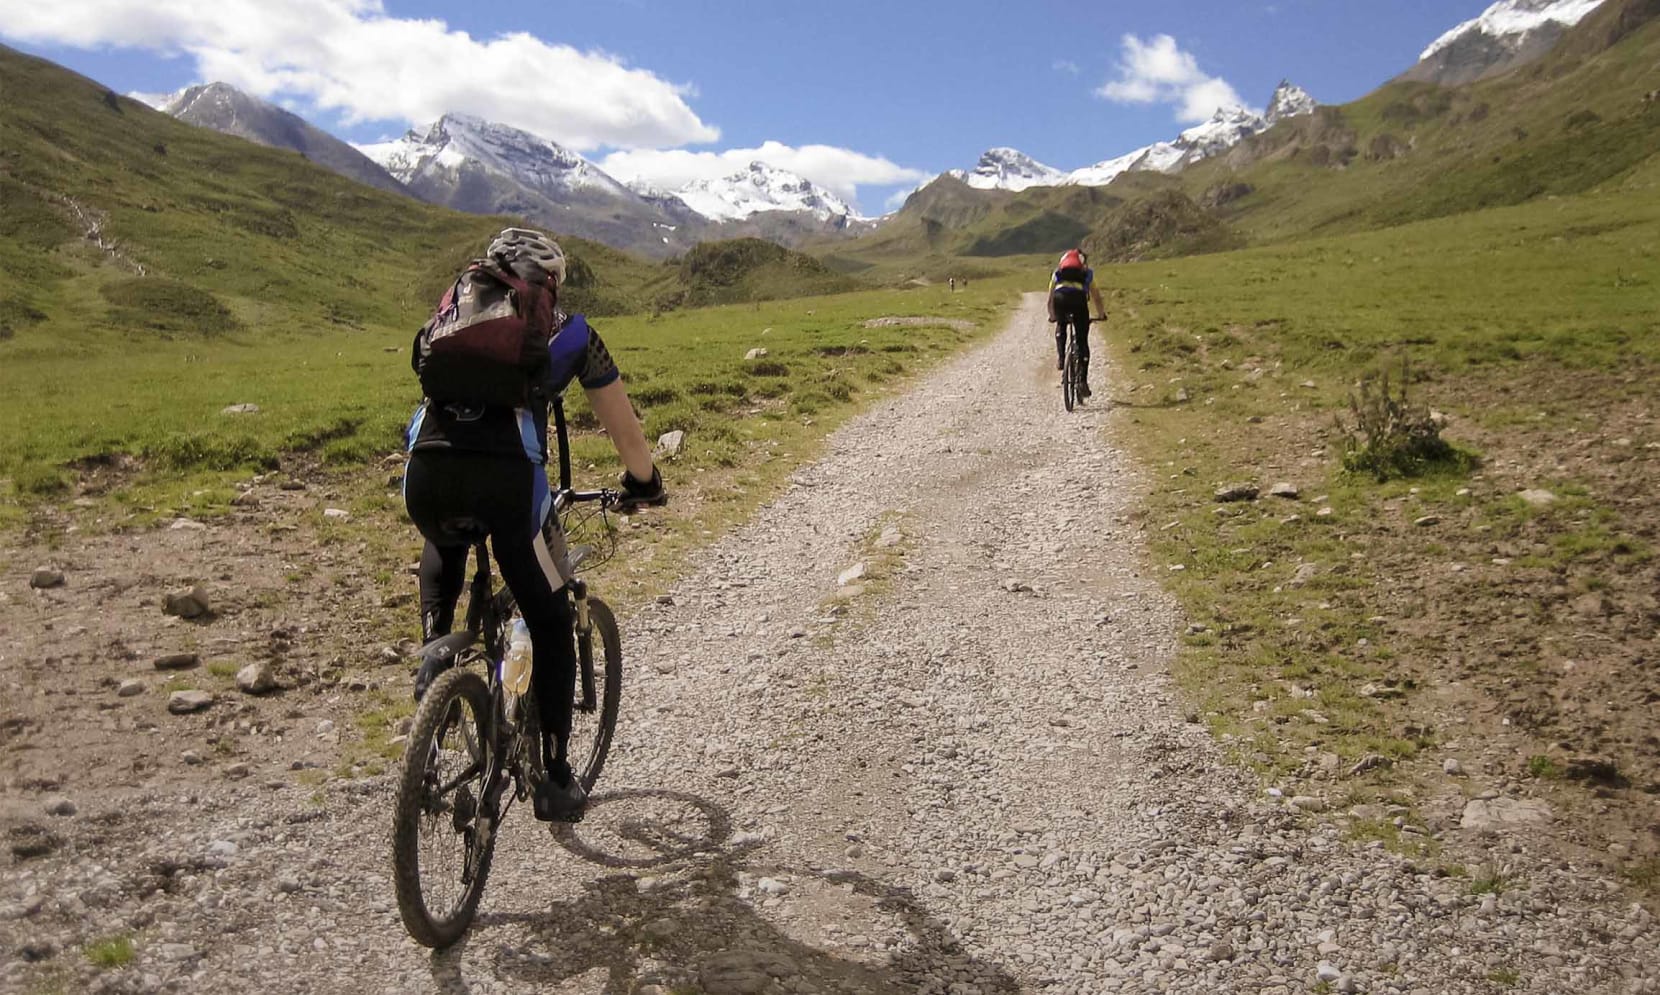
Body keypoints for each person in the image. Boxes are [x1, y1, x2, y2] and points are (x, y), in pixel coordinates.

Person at [403, 227, 666, 822]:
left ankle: (435, 657)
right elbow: (622, 424)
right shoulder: (569, 332)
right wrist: (644, 483)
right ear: (548, 284)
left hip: (426, 474)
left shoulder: (453, 318)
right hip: (508, 485)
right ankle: (552, 777)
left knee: (444, 537)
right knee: (548, 616)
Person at [1046, 248, 1106, 398]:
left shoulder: (1057, 272)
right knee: (1082, 340)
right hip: (1079, 301)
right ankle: (1083, 382)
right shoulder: (1087, 273)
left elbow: (1050, 297)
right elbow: (1097, 297)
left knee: (1061, 324)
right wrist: (1101, 315)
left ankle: (1061, 359)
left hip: (1060, 299)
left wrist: (1053, 315)